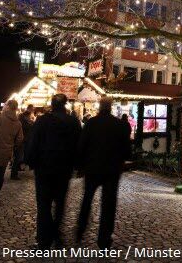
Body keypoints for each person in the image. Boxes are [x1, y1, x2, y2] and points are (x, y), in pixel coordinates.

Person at [25, 95, 82, 249]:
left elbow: (33, 142)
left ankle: (44, 241)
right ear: (65, 105)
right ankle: (57, 236)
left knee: (43, 205)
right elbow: (79, 145)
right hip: (64, 169)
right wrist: (77, 165)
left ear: (52, 105)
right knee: (60, 204)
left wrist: (31, 162)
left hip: (44, 169)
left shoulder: (42, 121)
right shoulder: (73, 122)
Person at [76, 97, 131, 249]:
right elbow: (127, 151)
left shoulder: (91, 123)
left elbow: (81, 146)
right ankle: (104, 239)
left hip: (92, 169)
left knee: (87, 199)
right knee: (108, 205)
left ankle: (80, 230)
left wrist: (80, 166)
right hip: (112, 171)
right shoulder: (120, 125)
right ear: (111, 107)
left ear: (100, 107)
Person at [11, 105, 35, 179]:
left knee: (19, 157)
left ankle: (17, 170)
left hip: (24, 141)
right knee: (18, 157)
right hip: (22, 141)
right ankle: (14, 174)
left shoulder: (23, 120)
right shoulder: (23, 121)